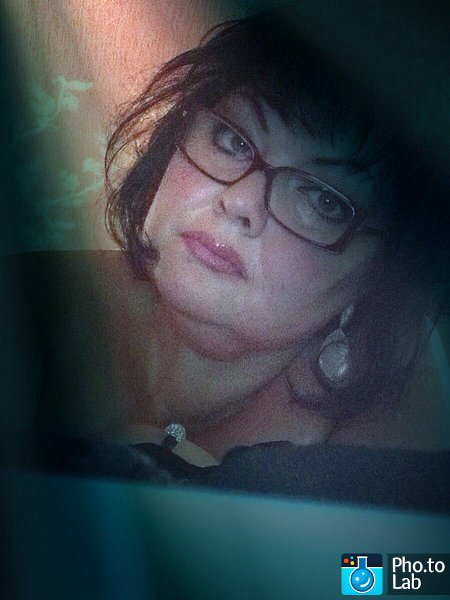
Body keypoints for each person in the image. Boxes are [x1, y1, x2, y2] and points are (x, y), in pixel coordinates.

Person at [5, 2, 450, 507]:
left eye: (322, 200)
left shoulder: (401, 428)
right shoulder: (33, 301)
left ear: (380, 273)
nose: (239, 202)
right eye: (231, 140)